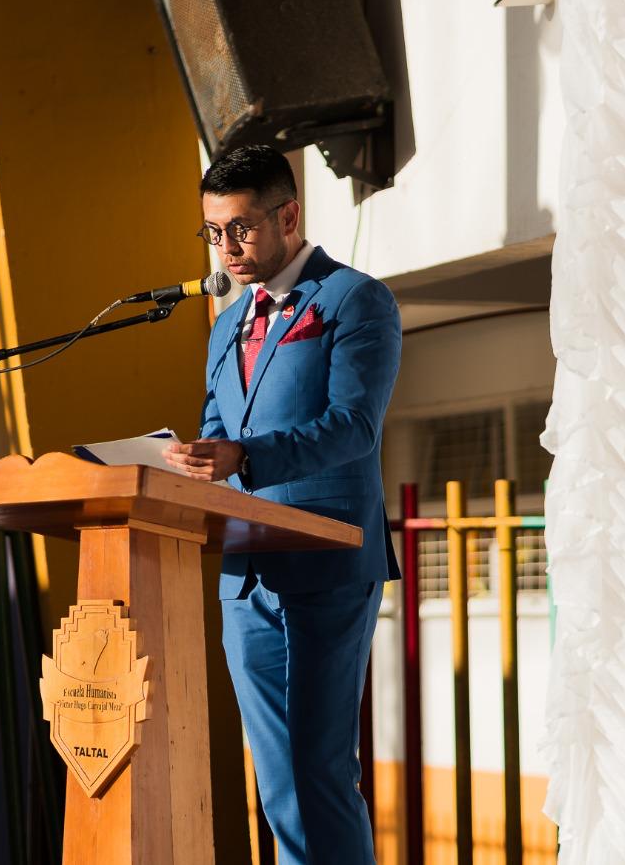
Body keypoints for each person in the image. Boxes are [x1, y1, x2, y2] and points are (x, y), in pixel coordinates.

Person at [161, 145, 401, 863]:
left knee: (318, 771)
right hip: (243, 574)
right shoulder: (224, 326)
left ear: (288, 216)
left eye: (239, 228)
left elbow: (353, 426)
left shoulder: (354, 299)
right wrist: (185, 463)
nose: (226, 247)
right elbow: (216, 432)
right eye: (213, 232)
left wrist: (246, 456)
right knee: (276, 782)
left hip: (325, 560)